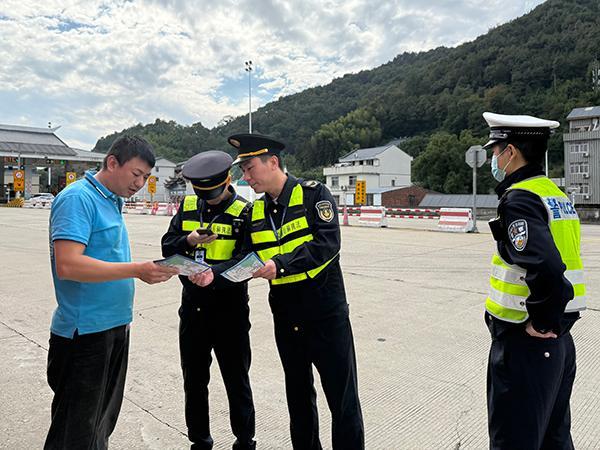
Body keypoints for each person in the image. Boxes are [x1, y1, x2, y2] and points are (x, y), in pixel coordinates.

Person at [199, 134, 364, 449]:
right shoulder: (255, 212)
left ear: (272, 162)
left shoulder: (313, 195)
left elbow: (327, 244)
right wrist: (212, 275)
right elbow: (245, 259)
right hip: (287, 319)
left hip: (326, 315)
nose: (245, 177)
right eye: (243, 171)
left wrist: (280, 265)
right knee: (298, 399)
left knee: (342, 400)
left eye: (249, 169)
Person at [45, 135, 179, 449]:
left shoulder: (111, 200)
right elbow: (68, 264)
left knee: (99, 426)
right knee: (75, 433)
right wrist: (137, 269)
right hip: (84, 335)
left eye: (146, 177)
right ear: (112, 162)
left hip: (114, 328)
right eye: (136, 174)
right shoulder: (78, 198)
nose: (140, 184)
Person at [483, 112, 586, 450]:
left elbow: (547, 268)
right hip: (558, 342)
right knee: (554, 438)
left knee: (514, 440)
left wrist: (541, 321)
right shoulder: (554, 195)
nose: (493, 158)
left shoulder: (521, 199)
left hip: (527, 341)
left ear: (510, 152)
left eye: (495, 150)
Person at [161, 150, 256, 450]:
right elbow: (168, 245)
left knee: (236, 380)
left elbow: (249, 259)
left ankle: (244, 441)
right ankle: (200, 441)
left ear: (228, 180)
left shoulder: (245, 212)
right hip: (193, 309)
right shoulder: (189, 205)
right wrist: (188, 240)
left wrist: (213, 274)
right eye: (203, 195)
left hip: (230, 311)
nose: (208, 200)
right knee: (194, 381)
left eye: (213, 194)